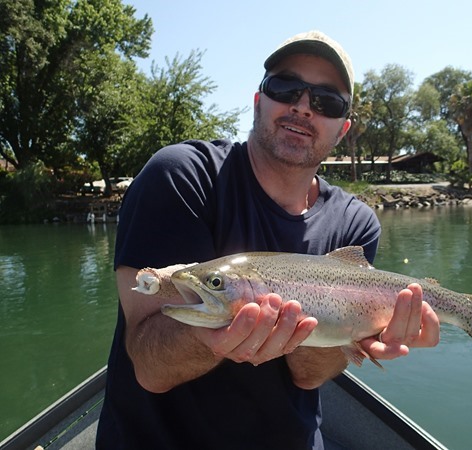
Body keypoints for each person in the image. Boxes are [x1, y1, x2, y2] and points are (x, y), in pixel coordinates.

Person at [96, 30, 440, 449]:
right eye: (285, 88)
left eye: (326, 101)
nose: (302, 107)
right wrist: (215, 339)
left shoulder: (356, 223)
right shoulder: (180, 176)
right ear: (259, 100)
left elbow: (309, 374)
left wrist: (361, 332)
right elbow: (150, 368)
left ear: (342, 129)